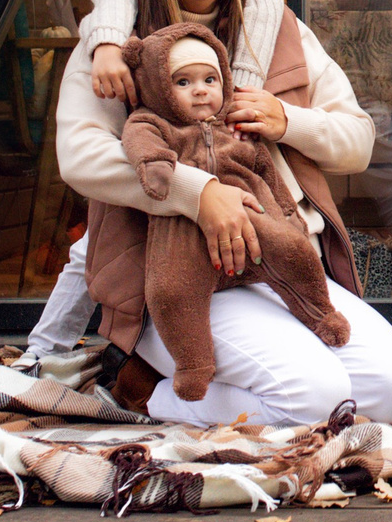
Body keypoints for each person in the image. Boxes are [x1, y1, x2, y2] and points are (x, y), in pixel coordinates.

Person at [53, 0, 392, 426]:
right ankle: (148, 391)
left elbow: (357, 142)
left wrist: (287, 120)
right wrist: (197, 192)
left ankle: (203, 393)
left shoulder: (278, 33)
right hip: (172, 278)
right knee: (318, 397)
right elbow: (80, 156)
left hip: (278, 260)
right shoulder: (117, 43)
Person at [18, 0, 183, 366]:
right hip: (147, 121)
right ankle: (43, 352)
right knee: (96, 242)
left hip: (207, 111)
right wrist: (108, 44)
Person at [119, 21, 346, 403]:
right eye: (183, 82)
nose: (200, 91)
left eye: (210, 79)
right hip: (183, 232)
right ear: (158, 88)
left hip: (253, 217)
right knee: (172, 290)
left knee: (294, 251)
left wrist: (287, 213)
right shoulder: (151, 121)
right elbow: (139, 143)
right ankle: (193, 366)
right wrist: (158, 168)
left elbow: (265, 170)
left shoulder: (234, 126)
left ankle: (320, 312)